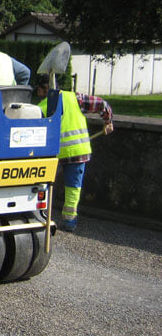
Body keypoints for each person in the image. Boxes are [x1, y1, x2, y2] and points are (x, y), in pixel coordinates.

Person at [36, 74, 114, 232]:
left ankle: (39, 216)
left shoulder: (41, 108)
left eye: (38, 90)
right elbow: (102, 104)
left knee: (42, 184)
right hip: (78, 151)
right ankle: (69, 221)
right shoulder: (75, 98)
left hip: (54, 154)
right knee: (73, 187)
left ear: (43, 89)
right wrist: (108, 121)